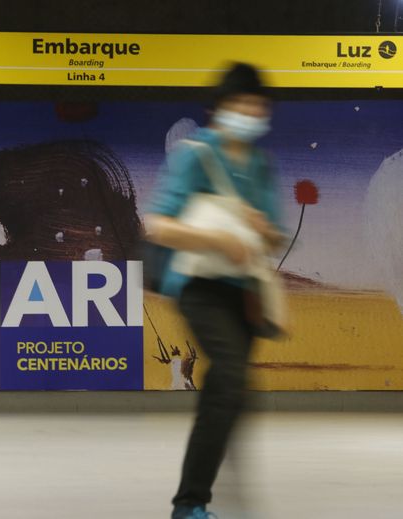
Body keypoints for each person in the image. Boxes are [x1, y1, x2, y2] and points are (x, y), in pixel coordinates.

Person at [144, 63, 285, 519]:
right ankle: (190, 504)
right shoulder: (196, 154)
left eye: (256, 104)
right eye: (239, 102)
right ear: (218, 108)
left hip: (244, 292)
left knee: (233, 386)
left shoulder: (260, 165)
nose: (249, 111)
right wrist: (215, 239)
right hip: (199, 286)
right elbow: (159, 224)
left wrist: (263, 232)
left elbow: (274, 236)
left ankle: (219, 456)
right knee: (227, 374)